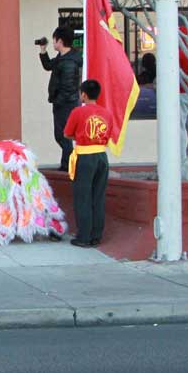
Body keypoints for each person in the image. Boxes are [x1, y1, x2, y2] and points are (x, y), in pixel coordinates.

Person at [63, 79, 115, 248]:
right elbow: (108, 136)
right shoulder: (107, 113)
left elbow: (67, 134)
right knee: (98, 197)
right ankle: (96, 236)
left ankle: (84, 236)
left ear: (83, 94)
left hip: (85, 157)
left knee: (83, 197)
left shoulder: (77, 112)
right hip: (101, 157)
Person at [37, 26, 81, 172]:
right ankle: (67, 164)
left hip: (66, 104)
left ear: (60, 41)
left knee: (63, 135)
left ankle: (68, 165)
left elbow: (68, 88)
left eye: (54, 40)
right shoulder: (62, 57)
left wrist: (58, 101)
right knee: (61, 135)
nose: (53, 43)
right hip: (62, 103)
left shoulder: (69, 62)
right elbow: (48, 66)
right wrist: (43, 50)